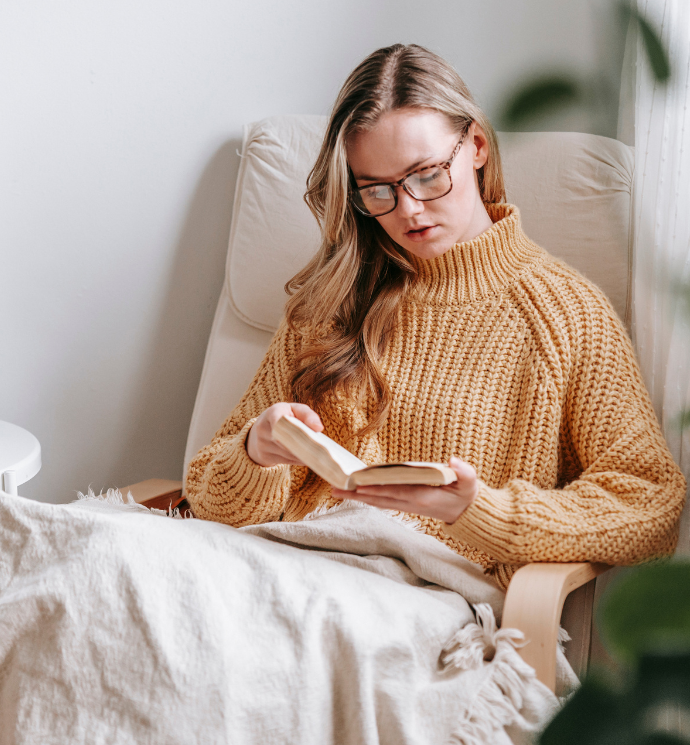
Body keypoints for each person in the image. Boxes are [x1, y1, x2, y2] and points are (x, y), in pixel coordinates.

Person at [184, 43, 686, 588]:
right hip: (277, 569)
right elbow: (206, 493)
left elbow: (649, 505)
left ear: (474, 145)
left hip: (419, 598)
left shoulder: (567, 314)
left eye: (425, 175)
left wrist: (480, 512)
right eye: (376, 190)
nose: (407, 210)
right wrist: (255, 453)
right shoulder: (331, 301)